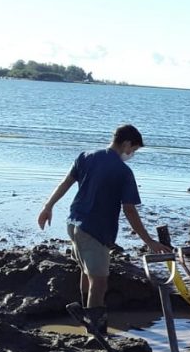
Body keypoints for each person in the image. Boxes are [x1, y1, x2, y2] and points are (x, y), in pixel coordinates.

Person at [37, 124, 171, 333]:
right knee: (99, 282)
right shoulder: (123, 171)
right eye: (134, 150)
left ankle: (85, 318)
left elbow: (66, 183)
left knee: (86, 272)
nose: (132, 154)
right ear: (126, 144)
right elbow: (130, 210)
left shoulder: (86, 156)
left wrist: (48, 206)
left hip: (74, 224)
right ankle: (95, 331)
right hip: (95, 231)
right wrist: (148, 241)